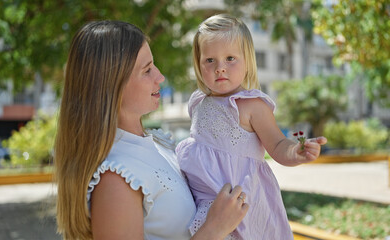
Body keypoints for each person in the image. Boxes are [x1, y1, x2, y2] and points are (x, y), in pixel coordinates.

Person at [54, 20, 249, 240]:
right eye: (147, 70)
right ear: (111, 84)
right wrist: (214, 229)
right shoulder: (116, 178)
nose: (160, 77)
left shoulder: (157, 143)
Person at [176, 14, 328, 240]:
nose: (220, 68)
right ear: (198, 64)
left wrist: (295, 151)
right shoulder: (198, 101)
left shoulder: (252, 105)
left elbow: (277, 144)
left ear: (247, 61)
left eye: (230, 58)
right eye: (210, 60)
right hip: (203, 199)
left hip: (239, 201)